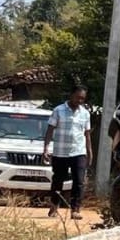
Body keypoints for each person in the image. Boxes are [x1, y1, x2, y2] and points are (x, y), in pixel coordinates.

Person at [43, 84, 92, 219]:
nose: (79, 101)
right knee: (58, 180)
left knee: (79, 181)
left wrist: (89, 152)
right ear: (71, 95)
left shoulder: (85, 113)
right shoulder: (58, 110)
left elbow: (87, 134)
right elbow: (50, 130)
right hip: (60, 152)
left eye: (82, 98)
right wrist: (46, 148)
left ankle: (75, 209)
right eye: (77, 97)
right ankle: (54, 206)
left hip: (78, 152)